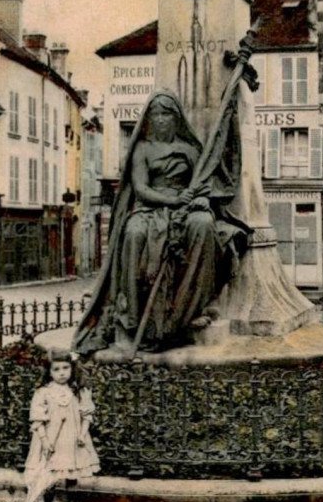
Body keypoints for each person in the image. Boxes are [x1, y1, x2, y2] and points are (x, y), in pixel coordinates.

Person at [72, 90, 248, 355]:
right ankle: (133, 311)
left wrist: (198, 200)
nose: (162, 119)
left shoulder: (190, 149)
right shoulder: (142, 149)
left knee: (203, 225)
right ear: (149, 118)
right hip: (151, 207)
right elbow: (141, 188)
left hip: (186, 207)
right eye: (156, 114)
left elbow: (203, 184)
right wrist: (171, 201)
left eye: (167, 113)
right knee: (134, 232)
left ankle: (192, 305)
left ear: (177, 118)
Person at [22, 349, 100, 502]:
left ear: (72, 368)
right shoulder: (43, 392)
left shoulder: (78, 390)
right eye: (56, 369)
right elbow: (38, 419)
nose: (62, 372)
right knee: (50, 475)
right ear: (49, 371)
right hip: (51, 439)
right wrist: (44, 440)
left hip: (73, 439)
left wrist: (82, 434)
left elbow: (86, 414)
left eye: (66, 368)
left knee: (72, 474)